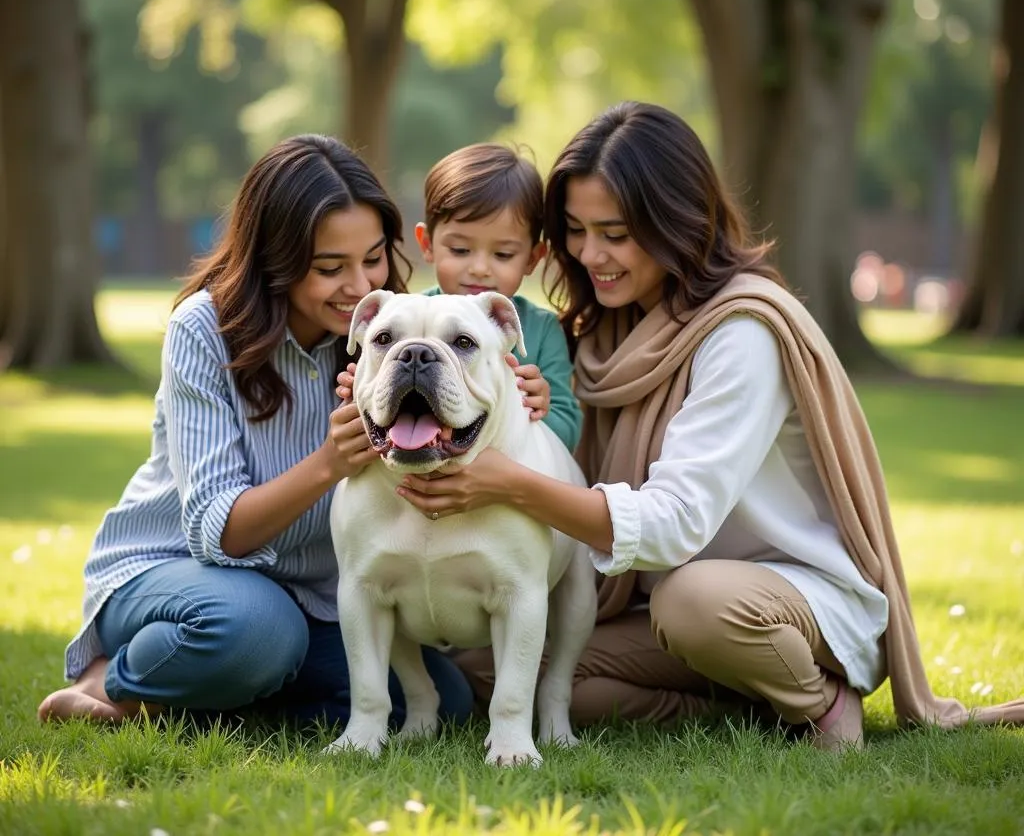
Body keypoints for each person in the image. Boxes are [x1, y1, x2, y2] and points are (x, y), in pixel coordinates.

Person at [393, 102, 1024, 750]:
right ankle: (748, 706)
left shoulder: (743, 331)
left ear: (677, 221)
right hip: (658, 603)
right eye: (578, 231)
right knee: (490, 669)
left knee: (696, 602)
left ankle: (821, 700)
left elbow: (674, 526)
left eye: (615, 233)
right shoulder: (604, 329)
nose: (590, 254)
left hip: (782, 599)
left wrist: (512, 484)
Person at [37, 134, 474, 728]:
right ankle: (112, 682)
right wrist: (329, 463)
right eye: (329, 268)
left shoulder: (390, 334)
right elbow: (218, 533)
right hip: (178, 573)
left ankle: (219, 699)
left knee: (439, 702)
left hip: (310, 596)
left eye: (373, 257)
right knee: (258, 633)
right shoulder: (205, 329)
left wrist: (525, 391)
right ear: (277, 259)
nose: (360, 284)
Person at [338, 143, 582, 452]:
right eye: (460, 250)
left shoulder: (542, 329)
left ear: (533, 258)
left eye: (503, 254)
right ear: (427, 244)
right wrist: (366, 390)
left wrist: (539, 404)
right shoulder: (402, 317)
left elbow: (568, 434)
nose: (479, 268)